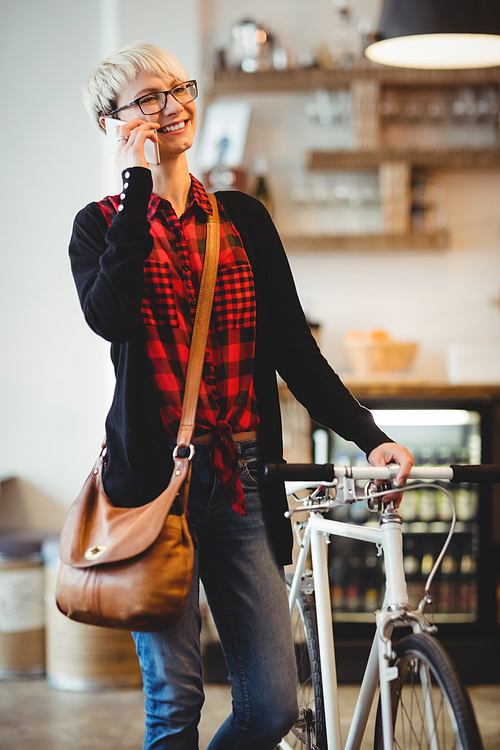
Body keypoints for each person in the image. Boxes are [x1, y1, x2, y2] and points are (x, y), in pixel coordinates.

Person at [70, 41, 414, 750]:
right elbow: (112, 317)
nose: (172, 107)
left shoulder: (243, 220)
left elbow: (293, 350)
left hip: (241, 479)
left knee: (273, 707)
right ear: (111, 123)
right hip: (152, 490)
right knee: (176, 704)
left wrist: (368, 434)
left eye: (178, 89)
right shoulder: (100, 225)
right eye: (148, 98)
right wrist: (139, 187)